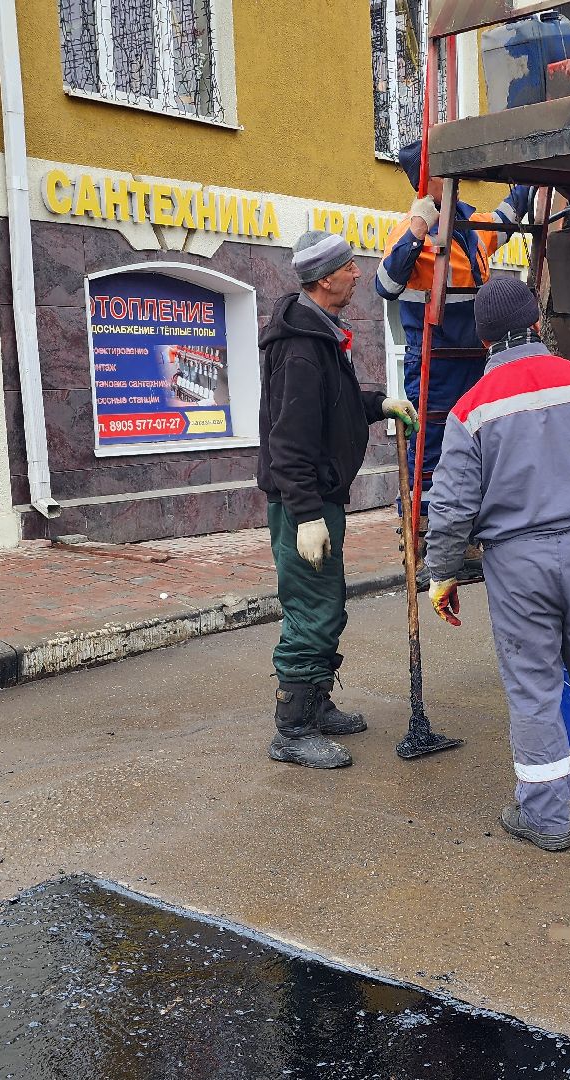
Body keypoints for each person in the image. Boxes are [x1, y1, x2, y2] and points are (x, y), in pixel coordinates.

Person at [423, 275, 570, 851]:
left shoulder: (471, 409)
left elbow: (451, 504)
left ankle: (548, 822)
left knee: (533, 689)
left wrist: (443, 572)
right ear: (536, 324)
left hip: (518, 563)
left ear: (485, 342)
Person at [257, 230, 419, 769]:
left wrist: (378, 405)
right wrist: (305, 514)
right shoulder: (301, 349)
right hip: (304, 504)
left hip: (320, 498)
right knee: (312, 611)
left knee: (327, 604)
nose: (357, 275)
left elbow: (337, 404)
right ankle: (293, 729)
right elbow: (288, 439)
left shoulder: (319, 332)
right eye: (350, 268)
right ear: (325, 278)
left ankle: (317, 704)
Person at [376, 140, 536, 517]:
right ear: (424, 180)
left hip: (477, 359)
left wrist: (531, 173)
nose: (455, 181)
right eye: (444, 174)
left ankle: (467, 521)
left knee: (479, 441)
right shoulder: (409, 231)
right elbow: (385, 285)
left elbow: (507, 216)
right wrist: (417, 229)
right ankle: (426, 526)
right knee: (432, 446)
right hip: (436, 361)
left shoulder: (469, 224)